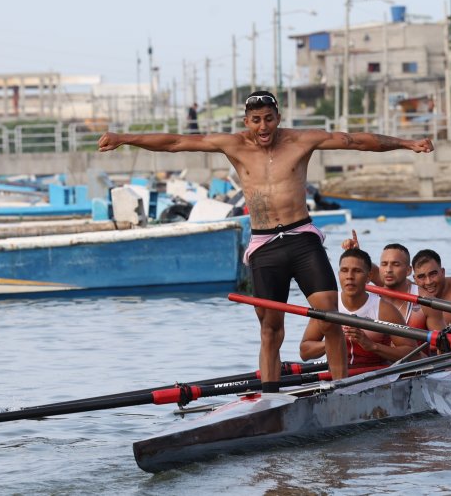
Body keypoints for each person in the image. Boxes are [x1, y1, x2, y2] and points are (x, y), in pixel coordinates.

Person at [96, 91, 433, 388]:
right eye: (256, 120)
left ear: (278, 118)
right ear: (246, 121)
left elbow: (355, 140)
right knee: (270, 328)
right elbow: (176, 142)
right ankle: (270, 396)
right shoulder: (233, 145)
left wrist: (407, 144)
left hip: (302, 237)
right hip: (265, 245)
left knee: (331, 314)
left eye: (268, 119)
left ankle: (341, 388)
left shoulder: (301, 140)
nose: (263, 127)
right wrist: (125, 138)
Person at [299, 248, 416, 368]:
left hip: (377, 374)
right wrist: (334, 338)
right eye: (344, 271)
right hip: (338, 374)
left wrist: (372, 346)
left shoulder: (384, 310)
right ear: (339, 275)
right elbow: (304, 352)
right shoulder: (327, 305)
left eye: (357, 271)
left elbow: (413, 353)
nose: (350, 276)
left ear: (369, 277)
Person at [341, 232, 426, 329]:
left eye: (396, 264)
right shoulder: (367, 298)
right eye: (384, 264)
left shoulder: (424, 299)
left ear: (408, 270)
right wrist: (357, 256)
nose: (388, 270)